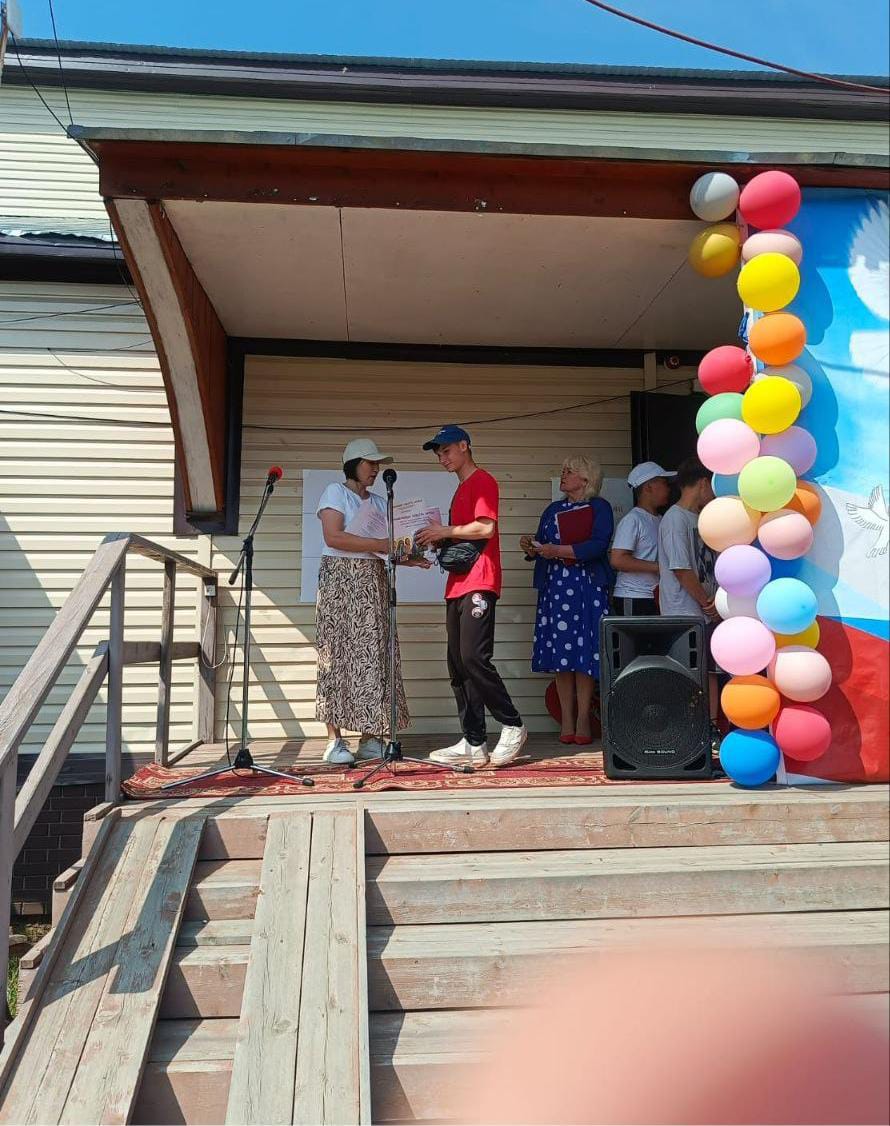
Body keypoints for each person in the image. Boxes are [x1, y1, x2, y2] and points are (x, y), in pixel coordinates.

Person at [415, 425, 528, 768]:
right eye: (439, 454)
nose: (442, 458)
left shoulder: (483, 481)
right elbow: (466, 535)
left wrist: (445, 530)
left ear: (464, 446)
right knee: (458, 664)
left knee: (474, 657)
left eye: (447, 451)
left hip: (480, 581)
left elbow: (486, 527)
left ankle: (512, 723)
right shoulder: (461, 489)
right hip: (457, 584)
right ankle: (474, 741)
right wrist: (440, 540)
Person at [314, 437, 411, 765]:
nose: (376, 469)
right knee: (336, 652)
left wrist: (411, 556)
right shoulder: (335, 492)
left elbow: (385, 545)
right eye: (371, 463)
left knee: (374, 656)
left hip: (373, 581)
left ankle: (371, 737)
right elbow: (334, 536)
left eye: (378, 464)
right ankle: (334, 741)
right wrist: (382, 544)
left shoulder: (380, 501)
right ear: (353, 464)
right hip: (341, 580)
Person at [520, 456, 614, 745]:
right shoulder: (553, 509)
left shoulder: (599, 507)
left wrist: (558, 550)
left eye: (569, 472)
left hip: (587, 587)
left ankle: (584, 718)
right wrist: (533, 547)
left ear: (585, 479)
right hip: (556, 588)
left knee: (584, 652)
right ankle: (567, 719)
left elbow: (599, 545)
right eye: (563, 471)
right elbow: (543, 543)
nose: (563, 475)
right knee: (562, 654)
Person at [657, 456, 720, 718]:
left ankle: (711, 725)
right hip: (684, 611)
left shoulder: (702, 518)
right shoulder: (675, 519)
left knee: (710, 671)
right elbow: (681, 569)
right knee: (688, 673)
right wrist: (707, 603)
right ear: (703, 483)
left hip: (707, 610)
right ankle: (689, 727)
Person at [610, 461, 675, 616]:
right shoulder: (633, 519)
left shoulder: (661, 519)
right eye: (664, 483)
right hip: (633, 596)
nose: (668, 489)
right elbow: (618, 560)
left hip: (656, 594)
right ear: (648, 487)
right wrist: (661, 567)